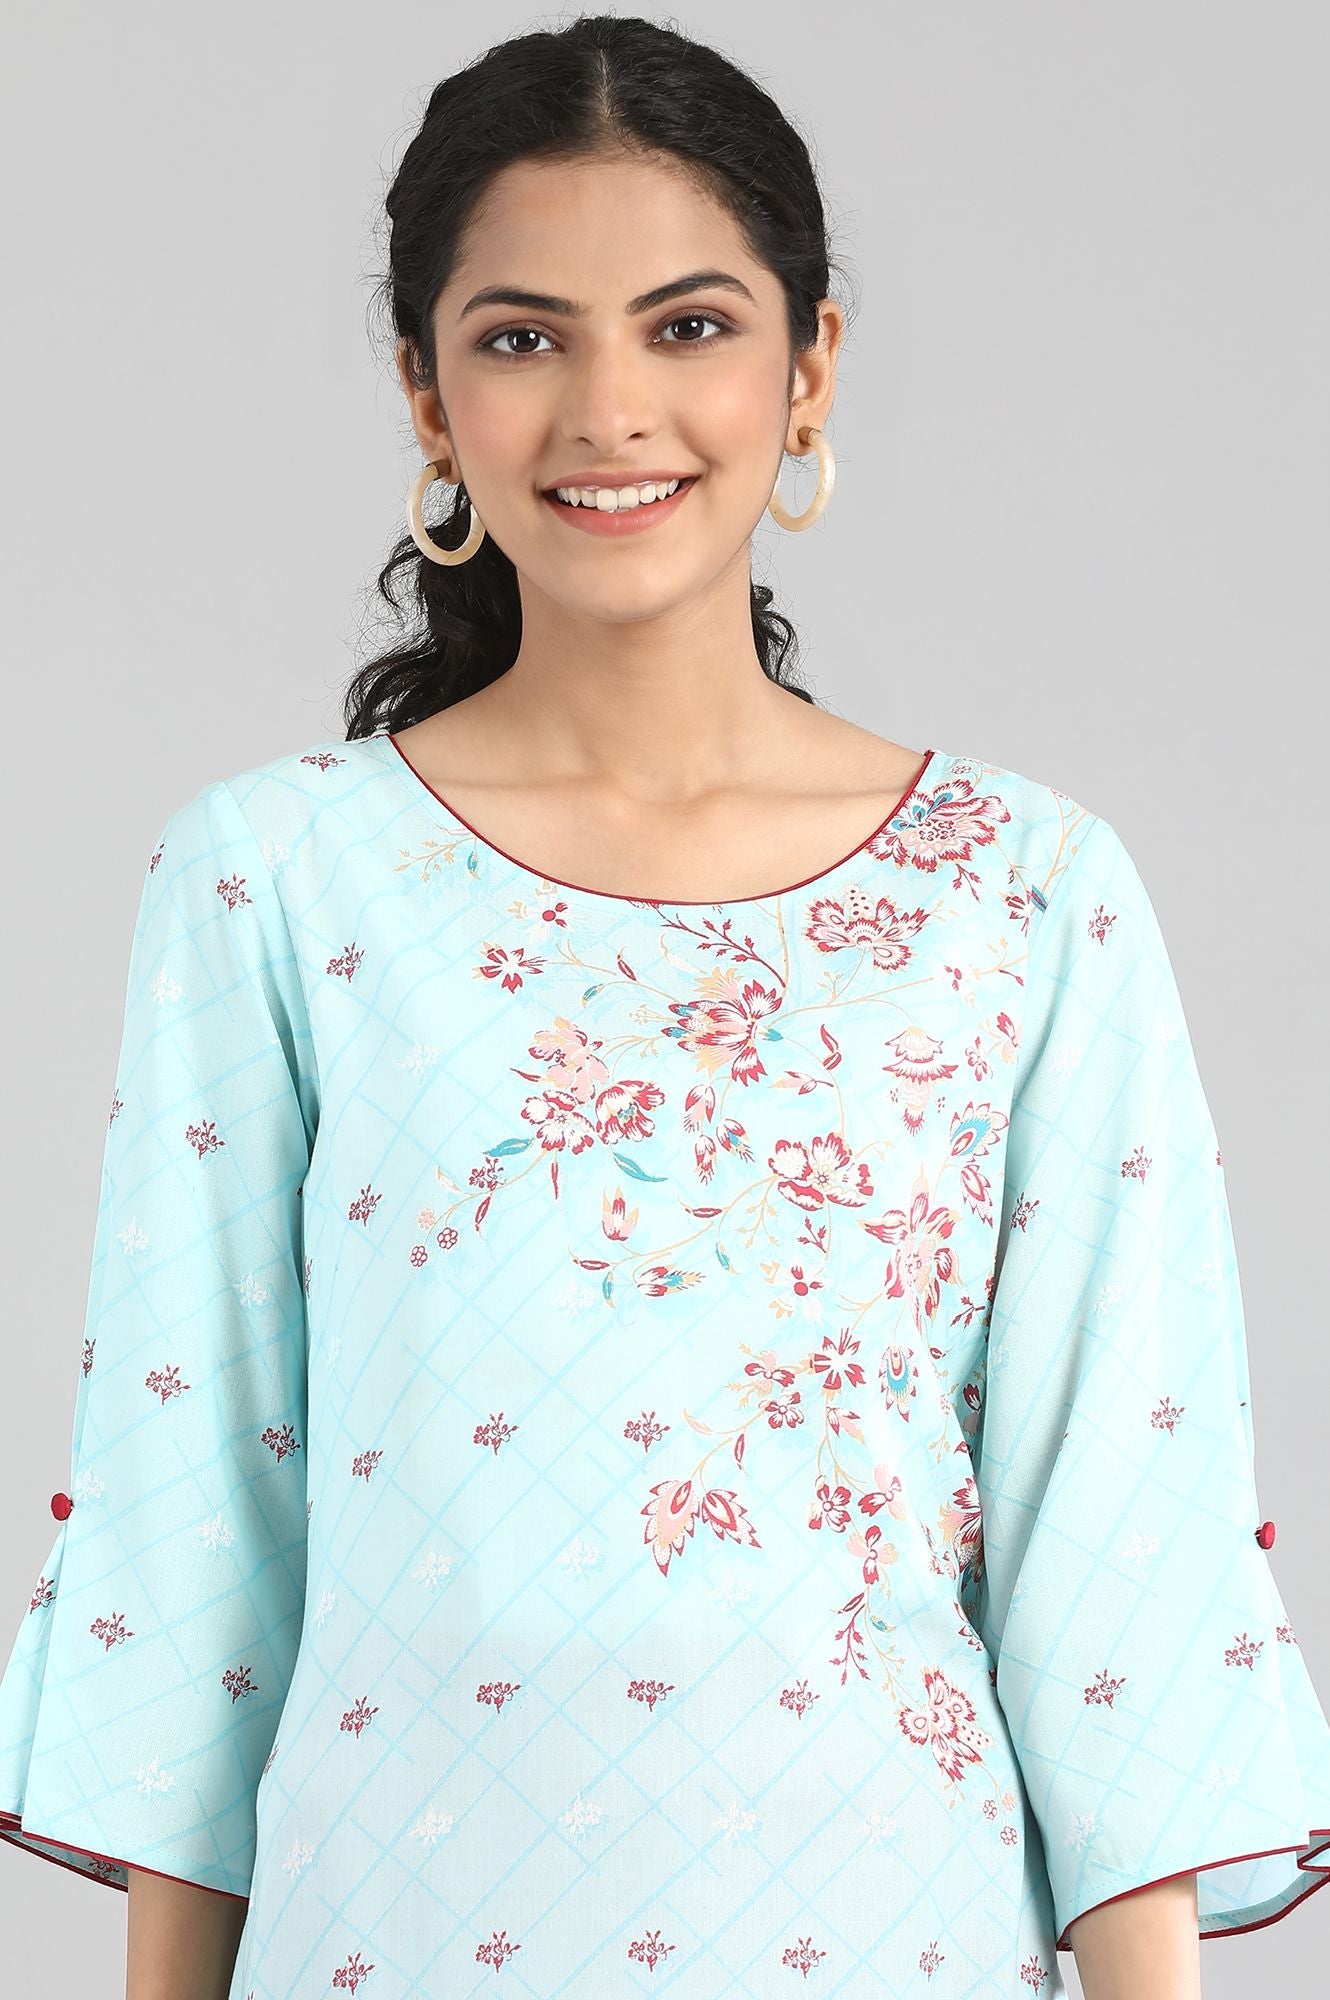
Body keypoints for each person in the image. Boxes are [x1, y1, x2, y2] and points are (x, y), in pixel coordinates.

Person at [2, 16, 1327, 1999]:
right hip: (396, 1940)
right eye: (522, 337)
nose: (609, 409)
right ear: (426, 392)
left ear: (809, 366)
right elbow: (191, 1539)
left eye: (688, 326)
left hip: (893, 1935)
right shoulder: (276, 879)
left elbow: (1116, 1550)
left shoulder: (1020, 890)